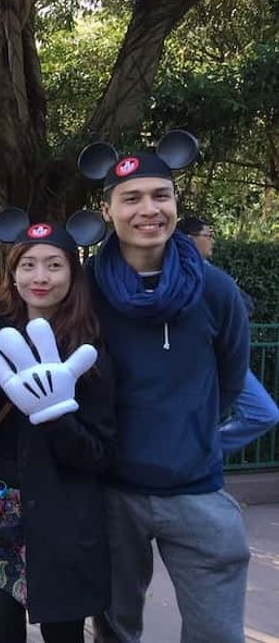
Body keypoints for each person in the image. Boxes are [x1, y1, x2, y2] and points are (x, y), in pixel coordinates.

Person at [77, 133, 251, 643]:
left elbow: (231, 379)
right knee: (113, 630)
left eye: (161, 195)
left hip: (195, 489)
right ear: (107, 210)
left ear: (176, 203)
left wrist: (190, 434)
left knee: (217, 633)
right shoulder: (86, 291)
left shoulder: (215, 289)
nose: (148, 209)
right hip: (112, 493)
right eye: (131, 198)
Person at [0, 208, 116, 643]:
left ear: (72, 274)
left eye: (54, 264)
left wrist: (56, 416)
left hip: (65, 517)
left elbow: (99, 453)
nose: (40, 276)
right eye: (28, 264)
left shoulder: (91, 348)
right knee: (0, 634)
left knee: (65, 635)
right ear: (13, 272)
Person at [176, 216, 279, 453]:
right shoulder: (182, 272)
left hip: (223, 357)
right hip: (201, 358)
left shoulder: (210, 273)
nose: (213, 241)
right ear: (190, 240)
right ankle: (197, 454)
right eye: (208, 235)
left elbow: (245, 305)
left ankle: (201, 453)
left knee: (264, 413)